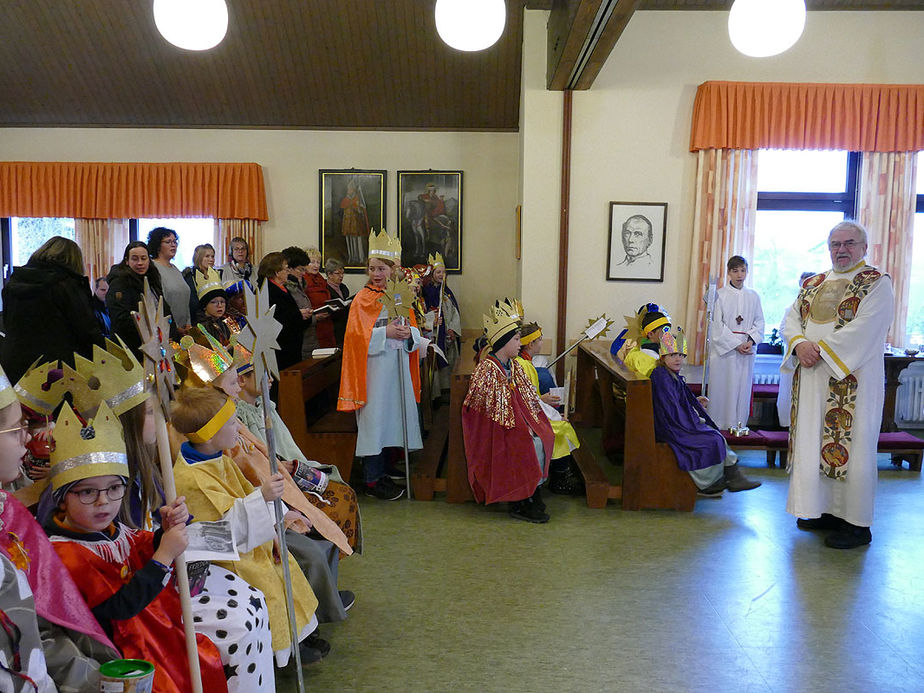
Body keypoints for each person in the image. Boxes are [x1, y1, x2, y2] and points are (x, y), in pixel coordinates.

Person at [44, 402, 229, 693]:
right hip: (119, 652)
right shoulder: (65, 554)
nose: (104, 501)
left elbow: (139, 546)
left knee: (202, 661)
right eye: (88, 492)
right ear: (63, 498)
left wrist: (163, 531)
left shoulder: (110, 531)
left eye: (114, 488)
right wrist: (164, 555)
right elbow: (118, 609)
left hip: (150, 630)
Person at [171, 386, 324, 664]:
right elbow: (222, 528)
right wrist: (263, 498)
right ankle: (280, 653)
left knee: (284, 568)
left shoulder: (217, 459)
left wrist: (280, 514)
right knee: (267, 586)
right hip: (227, 558)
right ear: (210, 434)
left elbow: (242, 494)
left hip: (252, 540)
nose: (238, 428)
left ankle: (296, 638)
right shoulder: (193, 478)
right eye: (231, 423)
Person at [0, 363, 120, 692]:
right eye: (16, 429)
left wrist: (93, 676)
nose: (27, 438)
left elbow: (46, 627)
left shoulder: (7, 511)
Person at [783, 221, 893, 549]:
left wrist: (822, 351)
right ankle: (822, 510)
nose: (841, 250)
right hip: (812, 377)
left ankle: (856, 523)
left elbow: (867, 327)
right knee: (812, 443)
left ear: (863, 247)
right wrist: (799, 343)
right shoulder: (814, 283)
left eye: (849, 243)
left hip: (851, 381)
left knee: (854, 447)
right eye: (835, 244)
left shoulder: (876, 283)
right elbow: (790, 318)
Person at [337, 230, 422, 501]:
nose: (376, 273)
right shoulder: (363, 298)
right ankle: (372, 478)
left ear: (392, 269)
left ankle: (386, 467)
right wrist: (385, 334)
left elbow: (414, 331)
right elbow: (354, 338)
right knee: (375, 421)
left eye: (381, 268)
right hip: (373, 371)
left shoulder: (400, 296)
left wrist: (410, 336)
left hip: (396, 369)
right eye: (372, 268)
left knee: (392, 418)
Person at [462, 300, 555, 523]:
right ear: (503, 343)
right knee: (525, 443)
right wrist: (522, 425)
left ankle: (533, 490)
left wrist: (531, 422)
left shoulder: (512, 365)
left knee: (544, 435)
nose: (519, 344)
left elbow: (526, 397)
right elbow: (484, 410)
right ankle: (520, 500)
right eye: (515, 340)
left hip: (514, 422)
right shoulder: (487, 369)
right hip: (495, 429)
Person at [650, 327, 761, 497]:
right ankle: (710, 483)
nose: (678, 359)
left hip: (675, 422)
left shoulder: (670, 374)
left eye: (681, 355)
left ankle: (731, 476)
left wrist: (694, 405)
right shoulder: (661, 376)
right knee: (711, 439)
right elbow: (669, 408)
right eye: (673, 355)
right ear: (663, 357)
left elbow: (678, 402)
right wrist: (693, 420)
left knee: (714, 435)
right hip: (670, 427)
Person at [0, 236, 104, 384]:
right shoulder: (67, 285)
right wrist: (103, 355)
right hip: (56, 369)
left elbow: (7, 321)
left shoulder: (14, 282)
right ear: (74, 261)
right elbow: (86, 328)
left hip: (14, 363)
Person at [515, 322, 583, 496]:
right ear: (531, 344)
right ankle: (559, 478)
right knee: (564, 428)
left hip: (533, 411)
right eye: (539, 340)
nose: (541, 343)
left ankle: (558, 471)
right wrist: (554, 415)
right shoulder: (523, 366)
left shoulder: (526, 364)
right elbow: (527, 400)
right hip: (526, 417)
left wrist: (549, 409)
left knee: (561, 423)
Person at [707, 255, 765, 430]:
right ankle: (720, 423)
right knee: (723, 388)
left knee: (742, 388)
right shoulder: (720, 295)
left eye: (743, 270)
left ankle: (739, 424)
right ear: (729, 272)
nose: (740, 274)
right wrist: (735, 344)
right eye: (735, 270)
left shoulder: (753, 296)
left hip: (746, 349)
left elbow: (760, 322)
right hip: (725, 351)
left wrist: (749, 341)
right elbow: (716, 325)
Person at [106, 241, 176, 357]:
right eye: (135, 259)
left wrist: (171, 333)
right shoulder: (119, 283)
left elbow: (164, 309)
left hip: (157, 343)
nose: (140, 263)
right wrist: (152, 333)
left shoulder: (152, 280)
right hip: (132, 347)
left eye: (144, 258)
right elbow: (121, 319)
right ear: (127, 261)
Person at [777, 271, 816, 427]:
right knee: (790, 393)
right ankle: (788, 424)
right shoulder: (791, 308)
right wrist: (799, 343)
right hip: (795, 358)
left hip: (814, 358)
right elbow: (782, 330)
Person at [257, 252, 309, 371]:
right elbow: (275, 318)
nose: (288, 272)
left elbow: (290, 312)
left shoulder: (283, 288)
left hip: (291, 345)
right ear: (276, 272)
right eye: (285, 269)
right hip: (279, 348)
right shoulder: (266, 290)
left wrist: (303, 316)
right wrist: (298, 315)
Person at [421, 252, 461, 400]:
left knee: (450, 361)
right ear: (432, 274)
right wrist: (432, 319)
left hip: (447, 333)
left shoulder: (447, 292)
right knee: (435, 363)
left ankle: (448, 391)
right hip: (434, 333)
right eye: (438, 272)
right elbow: (423, 313)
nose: (441, 275)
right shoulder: (427, 291)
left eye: (444, 272)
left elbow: (454, 312)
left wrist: (452, 328)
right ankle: (436, 394)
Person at [148, 227, 195, 336]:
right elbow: (155, 303)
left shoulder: (175, 269)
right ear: (158, 245)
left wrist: (188, 324)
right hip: (164, 331)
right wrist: (173, 328)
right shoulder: (153, 268)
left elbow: (185, 299)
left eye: (175, 241)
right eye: (168, 242)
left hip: (183, 331)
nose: (173, 245)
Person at [303, 247, 336, 349]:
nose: (316, 265)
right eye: (312, 262)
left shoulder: (321, 279)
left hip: (326, 321)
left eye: (318, 262)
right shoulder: (303, 280)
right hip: (313, 324)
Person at [194, 268, 232, 345]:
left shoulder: (225, 324)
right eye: (214, 302)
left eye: (222, 302)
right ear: (205, 306)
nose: (220, 306)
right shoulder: (201, 328)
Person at [339, 179, 370, 265]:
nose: (348, 191)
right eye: (348, 189)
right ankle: (352, 257)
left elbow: (360, 211)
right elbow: (342, 206)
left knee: (358, 240)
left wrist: (358, 207)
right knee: (349, 240)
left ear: (353, 190)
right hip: (348, 223)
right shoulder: (346, 199)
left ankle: (360, 257)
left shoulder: (357, 198)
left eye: (350, 189)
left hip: (356, 224)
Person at [325, 258, 351, 347]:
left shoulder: (344, 287)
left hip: (345, 325)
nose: (341, 276)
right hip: (333, 326)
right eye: (338, 273)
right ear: (329, 274)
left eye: (342, 273)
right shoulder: (325, 289)